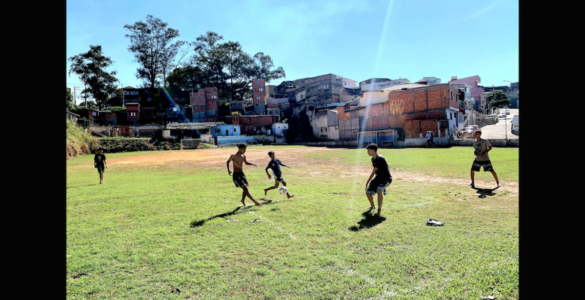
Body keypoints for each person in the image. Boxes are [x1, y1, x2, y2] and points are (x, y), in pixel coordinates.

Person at [365, 143, 392, 217]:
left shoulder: (380, 158)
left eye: (369, 150)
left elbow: (373, 171)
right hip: (378, 178)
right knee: (367, 192)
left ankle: (379, 211)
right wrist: (374, 182)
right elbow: (376, 172)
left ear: (373, 150)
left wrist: (367, 182)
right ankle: (372, 206)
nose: (367, 152)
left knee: (379, 190)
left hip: (386, 178)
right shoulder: (373, 159)